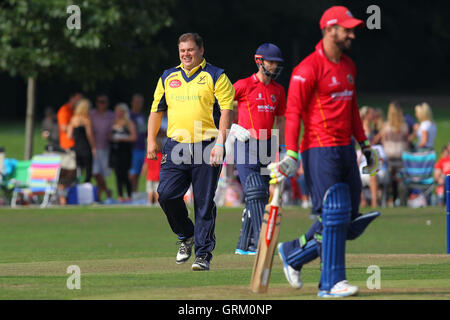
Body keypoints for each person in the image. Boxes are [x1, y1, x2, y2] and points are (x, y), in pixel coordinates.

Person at [267, 6, 381, 297]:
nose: (352, 33)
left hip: (345, 149)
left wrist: (365, 145)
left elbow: (353, 109)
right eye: (346, 29)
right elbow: (293, 112)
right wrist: (291, 153)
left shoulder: (348, 67)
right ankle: (331, 284)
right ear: (330, 30)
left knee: (348, 220)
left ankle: (293, 254)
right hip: (319, 149)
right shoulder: (306, 69)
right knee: (335, 213)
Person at [147, 32, 234, 271]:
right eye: (182, 50)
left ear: (201, 51)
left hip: (208, 145)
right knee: (165, 195)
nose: (186, 54)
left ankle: (203, 254)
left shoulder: (217, 76)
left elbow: (227, 112)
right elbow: (156, 110)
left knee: (203, 202)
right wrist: (151, 140)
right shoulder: (168, 76)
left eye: (191, 50)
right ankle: (186, 234)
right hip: (176, 145)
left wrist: (220, 143)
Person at [229, 43, 286, 255]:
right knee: (254, 191)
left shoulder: (278, 90)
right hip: (245, 144)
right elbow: (218, 105)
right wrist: (233, 127)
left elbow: (280, 121)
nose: (274, 66)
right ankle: (263, 242)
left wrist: (280, 149)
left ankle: (244, 245)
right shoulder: (243, 85)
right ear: (259, 60)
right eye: (271, 62)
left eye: (277, 63)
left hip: (268, 145)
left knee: (259, 196)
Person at [380, 101, 409, 206]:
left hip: (389, 158)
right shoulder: (404, 126)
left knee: (388, 181)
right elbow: (407, 143)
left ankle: (387, 201)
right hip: (401, 158)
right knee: (401, 180)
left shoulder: (386, 126)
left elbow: (383, 142)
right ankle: (402, 202)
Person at [57, 92, 83, 205]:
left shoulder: (75, 112)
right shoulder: (65, 110)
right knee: (64, 174)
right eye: (78, 100)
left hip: (75, 147)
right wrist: (75, 126)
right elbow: (63, 127)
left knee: (73, 175)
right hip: (67, 147)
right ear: (72, 99)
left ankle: (70, 197)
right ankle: (62, 199)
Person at [110, 103, 137, 202]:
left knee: (125, 174)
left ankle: (129, 195)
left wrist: (121, 138)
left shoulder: (129, 123)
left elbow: (134, 137)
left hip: (125, 152)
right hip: (115, 152)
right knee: (117, 174)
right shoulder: (113, 123)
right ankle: (120, 195)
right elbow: (109, 136)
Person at [90, 94, 115, 201]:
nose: (102, 104)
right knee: (95, 172)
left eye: (104, 102)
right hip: (94, 147)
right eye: (100, 101)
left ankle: (98, 197)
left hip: (106, 147)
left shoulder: (111, 115)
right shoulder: (92, 114)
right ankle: (107, 191)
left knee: (103, 173)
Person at [67, 99, 96, 183]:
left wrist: (76, 137)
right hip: (86, 148)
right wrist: (93, 147)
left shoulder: (73, 119)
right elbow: (89, 135)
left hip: (76, 148)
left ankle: (77, 186)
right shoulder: (86, 120)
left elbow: (69, 135)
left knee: (78, 171)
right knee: (88, 171)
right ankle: (86, 187)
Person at [128, 93, 148, 193]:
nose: (139, 104)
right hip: (133, 148)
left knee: (139, 173)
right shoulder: (129, 116)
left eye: (140, 102)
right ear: (132, 103)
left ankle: (134, 193)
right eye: (137, 102)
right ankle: (130, 192)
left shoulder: (141, 116)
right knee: (133, 172)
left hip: (142, 147)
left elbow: (145, 132)